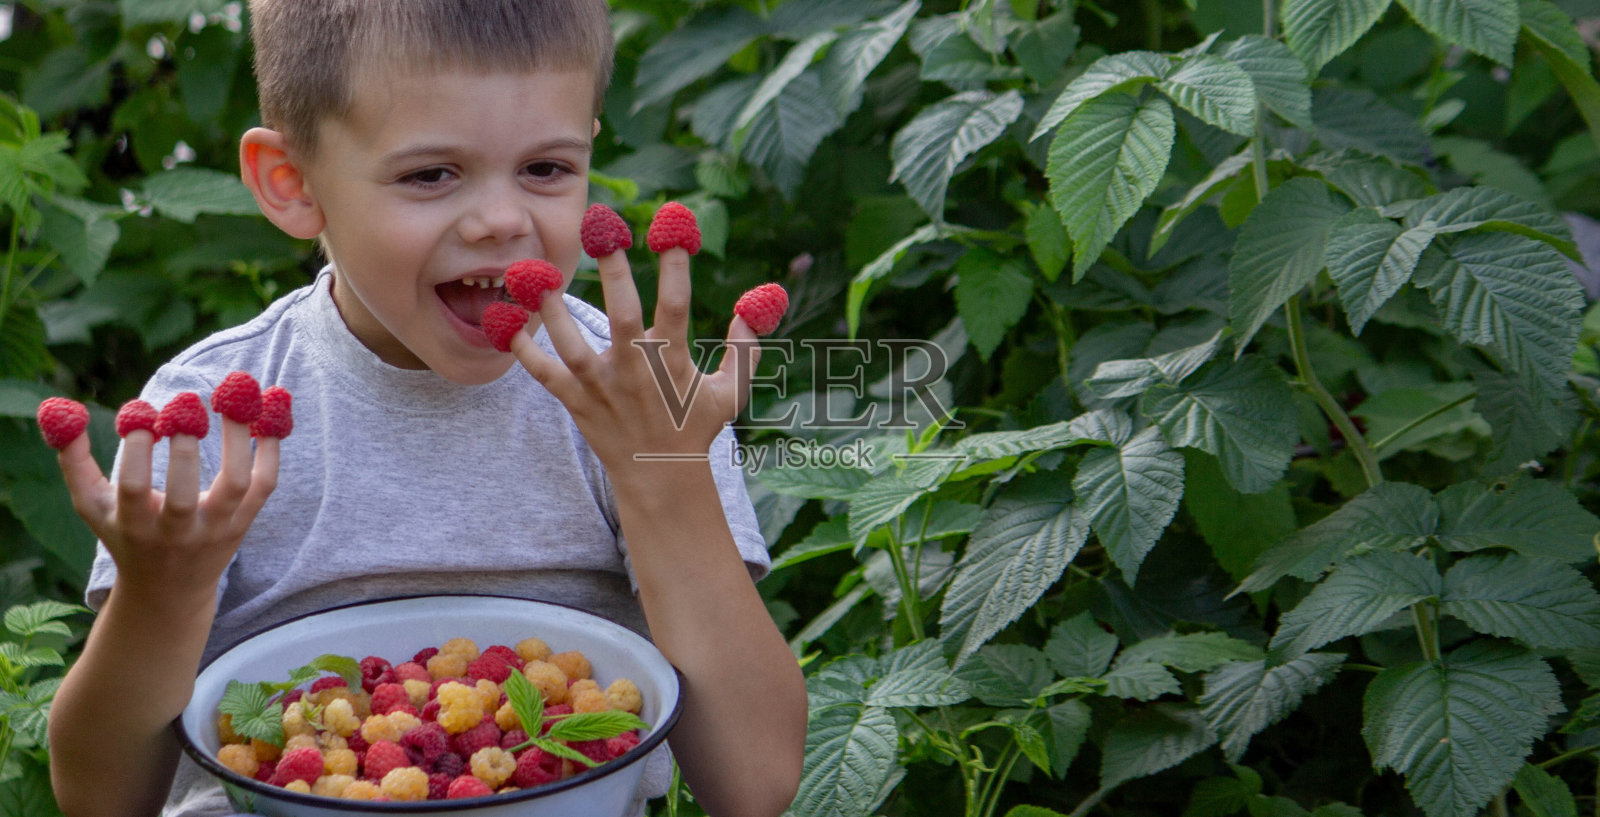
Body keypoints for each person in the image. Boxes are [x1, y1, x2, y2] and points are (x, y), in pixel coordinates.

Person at [44, 1, 807, 815]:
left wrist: (667, 477)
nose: (502, 220)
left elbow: (754, 782)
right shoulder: (210, 421)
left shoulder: (643, 397)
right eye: (431, 175)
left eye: (545, 168)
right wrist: (163, 594)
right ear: (291, 183)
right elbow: (100, 798)